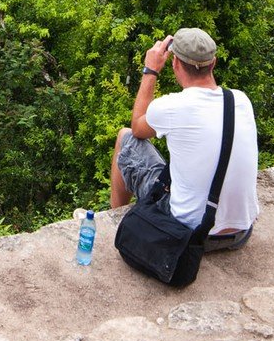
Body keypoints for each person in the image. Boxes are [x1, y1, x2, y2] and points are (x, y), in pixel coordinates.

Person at [110, 27, 258, 252]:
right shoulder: (240, 100)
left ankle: (115, 220)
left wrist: (150, 70)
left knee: (125, 138)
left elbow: (138, 128)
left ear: (175, 64)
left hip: (188, 233)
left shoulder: (172, 106)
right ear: (213, 62)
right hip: (239, 233)